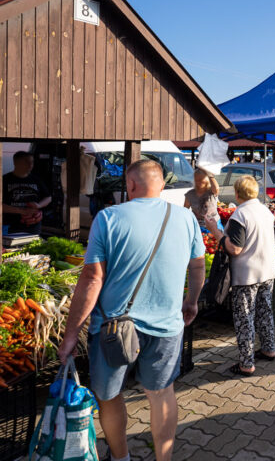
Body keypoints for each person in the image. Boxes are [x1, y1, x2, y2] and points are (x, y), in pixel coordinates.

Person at [57, 160, 206, 461]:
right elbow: (198, 265)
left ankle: (120, 457)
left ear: (131, 185)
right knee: (162, 393)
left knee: (109, 395)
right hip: (167, 324)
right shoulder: (186, 219)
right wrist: (191, 302)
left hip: (113, 328)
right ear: (161, 184)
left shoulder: (107, 218)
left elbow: (92, 278)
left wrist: (71, 333)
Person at [206, 175, 275, 375]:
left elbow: (234, 249)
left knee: (244, 317)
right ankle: (269, 349)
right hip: (267, 270)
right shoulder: (265, 210)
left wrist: (215, 231)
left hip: (247, 274)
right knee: (265, 311)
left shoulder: (241, 215)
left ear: (237, 194)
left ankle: (246, 363)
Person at [2, 151, 51, 234]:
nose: (30, 165)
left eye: (32, 162)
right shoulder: (5, 180)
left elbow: (48, 197)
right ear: (16, 163)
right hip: (10, 226)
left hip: (33, 227)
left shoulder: (36, 179)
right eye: (26, 162)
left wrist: (39, 205)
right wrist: (21, 211)